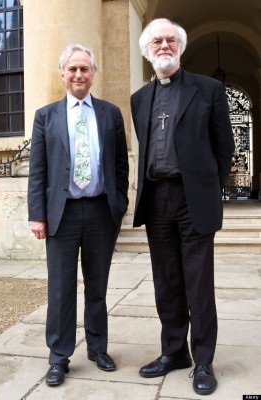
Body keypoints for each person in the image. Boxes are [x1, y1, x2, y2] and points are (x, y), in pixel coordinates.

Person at [131, 18, 234, 395]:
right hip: (157, 199)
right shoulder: (139, 99)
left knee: (198, 283)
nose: (164, 46)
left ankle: (203, 360)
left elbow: (225, 148)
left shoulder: (208, 89)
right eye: (156, 41)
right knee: (167, 282)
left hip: (193, 199)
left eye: (170, 40)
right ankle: (173, 352)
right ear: (146, 50)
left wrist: (207, 187)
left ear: (180, 46)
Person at [28, 44, 129, 386]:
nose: (78, 75)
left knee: (97, 287)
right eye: (72, 69)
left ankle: (98, 348)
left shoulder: (110, 113)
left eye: (84, 69)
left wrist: (120, 206)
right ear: (63, 74)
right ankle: (59, 357)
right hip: (62, 213)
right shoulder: (46, 116)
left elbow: (120, 165)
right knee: (60, 288)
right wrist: (36, 215)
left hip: (101, 211)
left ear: (93, 74)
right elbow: (38, 172)